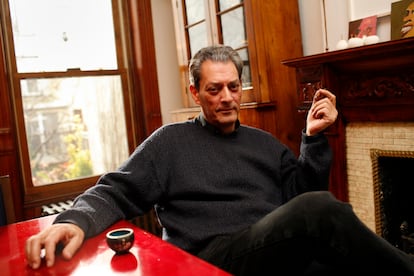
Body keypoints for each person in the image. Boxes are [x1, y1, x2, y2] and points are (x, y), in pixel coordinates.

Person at [25, 45, 414, 275]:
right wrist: (73, 220)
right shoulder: (169, 143)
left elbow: (304, 197)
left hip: (268, 248)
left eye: (232, 86)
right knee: (322, 211)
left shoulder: (263, 144)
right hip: (211, 258)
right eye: (214, 89)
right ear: (195, 92)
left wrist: (313, 139)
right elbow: (114, 191)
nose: (226, 97)